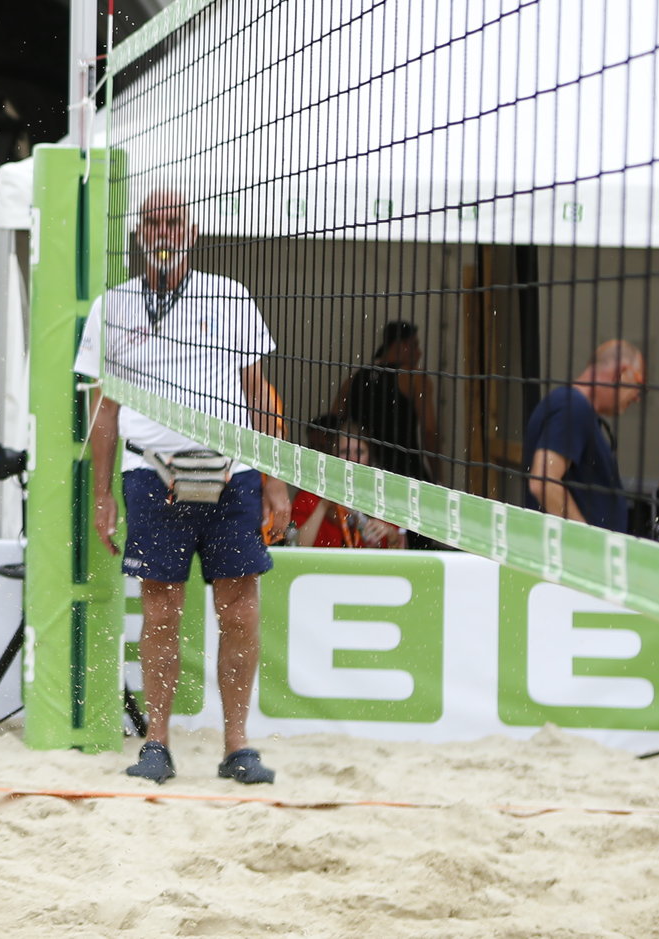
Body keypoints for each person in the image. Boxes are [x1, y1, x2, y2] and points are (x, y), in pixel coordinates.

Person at [81, 188, 286, 787]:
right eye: (153, 222)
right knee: (161, 611)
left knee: (240, 612)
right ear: (140, 233)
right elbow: (104, 408)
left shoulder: (229, 295)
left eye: (174, 221)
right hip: (152, 472)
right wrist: (102, 493)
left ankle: (237, 744)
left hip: (231, 471)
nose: (164, 231)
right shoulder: (113, 305)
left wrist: (275, 481)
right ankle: (156, 743)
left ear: (192, 231)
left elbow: (260, 393)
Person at [524, 339, 645, 532]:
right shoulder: (573, 407)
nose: (638, 397)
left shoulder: (573, 407)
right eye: (638, 382)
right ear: (620, 374)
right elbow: (543, 482)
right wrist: (587, 543)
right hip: (574, 558)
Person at [333, 319, 436, 485]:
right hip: (404, 471)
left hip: (364, 473)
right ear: (402, 345)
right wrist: (437, 474)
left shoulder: (355, 379)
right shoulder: (415, 379)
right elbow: (429, 431)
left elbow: (335, 421)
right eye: (415, 345)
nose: (419, 352)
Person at [290, 414, 404, 549]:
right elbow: (298, 546)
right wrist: (324, 505)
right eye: (345, 451)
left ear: (370, 457)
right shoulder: (310, 492)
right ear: (333, 455)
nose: (352, 459)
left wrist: (391, 534)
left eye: (360, 452)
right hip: (321, 569)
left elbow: (399, 559)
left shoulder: (383, 495)